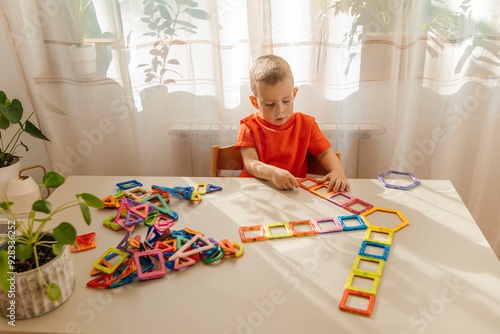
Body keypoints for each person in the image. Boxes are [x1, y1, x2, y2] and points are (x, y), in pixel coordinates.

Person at [235, 54, 350, 192]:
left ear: (294, 94)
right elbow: (250, 163)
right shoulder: (248, 126)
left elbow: (324, 153)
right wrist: (273, 173)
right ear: (255, 102)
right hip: (254, 192)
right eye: (270, 104)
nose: (280, 110)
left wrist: (338, 171)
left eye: (286, 101)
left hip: (291, 194)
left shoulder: (306, 124)